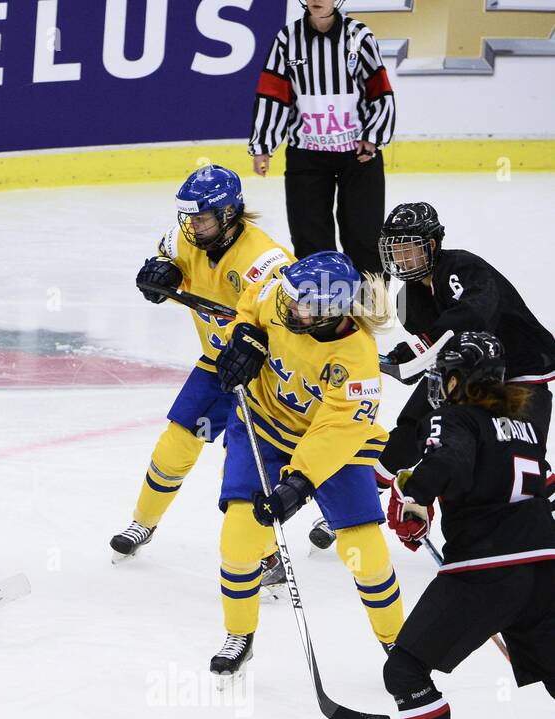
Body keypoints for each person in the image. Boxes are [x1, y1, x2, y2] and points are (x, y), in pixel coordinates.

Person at [381, 331, 555, 719]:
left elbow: (450, 461)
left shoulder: (456, 415)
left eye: (445, 375)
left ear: (464, 380)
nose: (440, 385)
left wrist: (415, 499)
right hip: (545, 563)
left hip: (488, 570)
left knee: (406, 671)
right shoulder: (522, 420)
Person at [210, 252, 403, 680]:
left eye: (305, 305)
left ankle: (398, 645)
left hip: (337, 446)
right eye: (292, 297)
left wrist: (299, 483)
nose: (291, 307)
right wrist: (244, 336)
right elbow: (251, 305)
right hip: (262, 425)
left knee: (365, 553)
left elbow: (337, 430)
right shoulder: (286, 295)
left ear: (333, 311)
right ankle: (239, 635)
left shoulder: (357, 360)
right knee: (238, 540)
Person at [111, 165, 293, 586]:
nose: (192, 226)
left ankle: (266, 557)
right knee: (174, 445)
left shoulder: (265, 260)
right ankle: (144, 522)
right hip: (216, 365)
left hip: (263, 378)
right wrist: (159, 274)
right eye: (188, 217)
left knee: (243, 467)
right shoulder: (185, 238)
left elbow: (290, 320)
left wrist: (259, 347)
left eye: (202, 218)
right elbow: (165, 259)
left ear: (229, 214)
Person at [376, 201, 555, 487]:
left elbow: (474, 313)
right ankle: (362, 499)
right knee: (413, 426)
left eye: (407, 247)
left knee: (521, 457)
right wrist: (407, 363)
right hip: (464, 369)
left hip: (520, 366)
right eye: (394, 248)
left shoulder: (462, 267)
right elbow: (434, 351)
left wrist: (421, 347)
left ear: (432, 245)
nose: (400, 256)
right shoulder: (406, 301)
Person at [249, 0, 395, 277]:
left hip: (359, 156)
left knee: (364, 236)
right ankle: (319, 308)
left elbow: (379, 88)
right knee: (310, 239)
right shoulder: (287, 39)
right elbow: (273, 94)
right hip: (306, 156)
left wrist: (373, 136)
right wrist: (263, 146)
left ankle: (370, 306)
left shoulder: (359, 36)